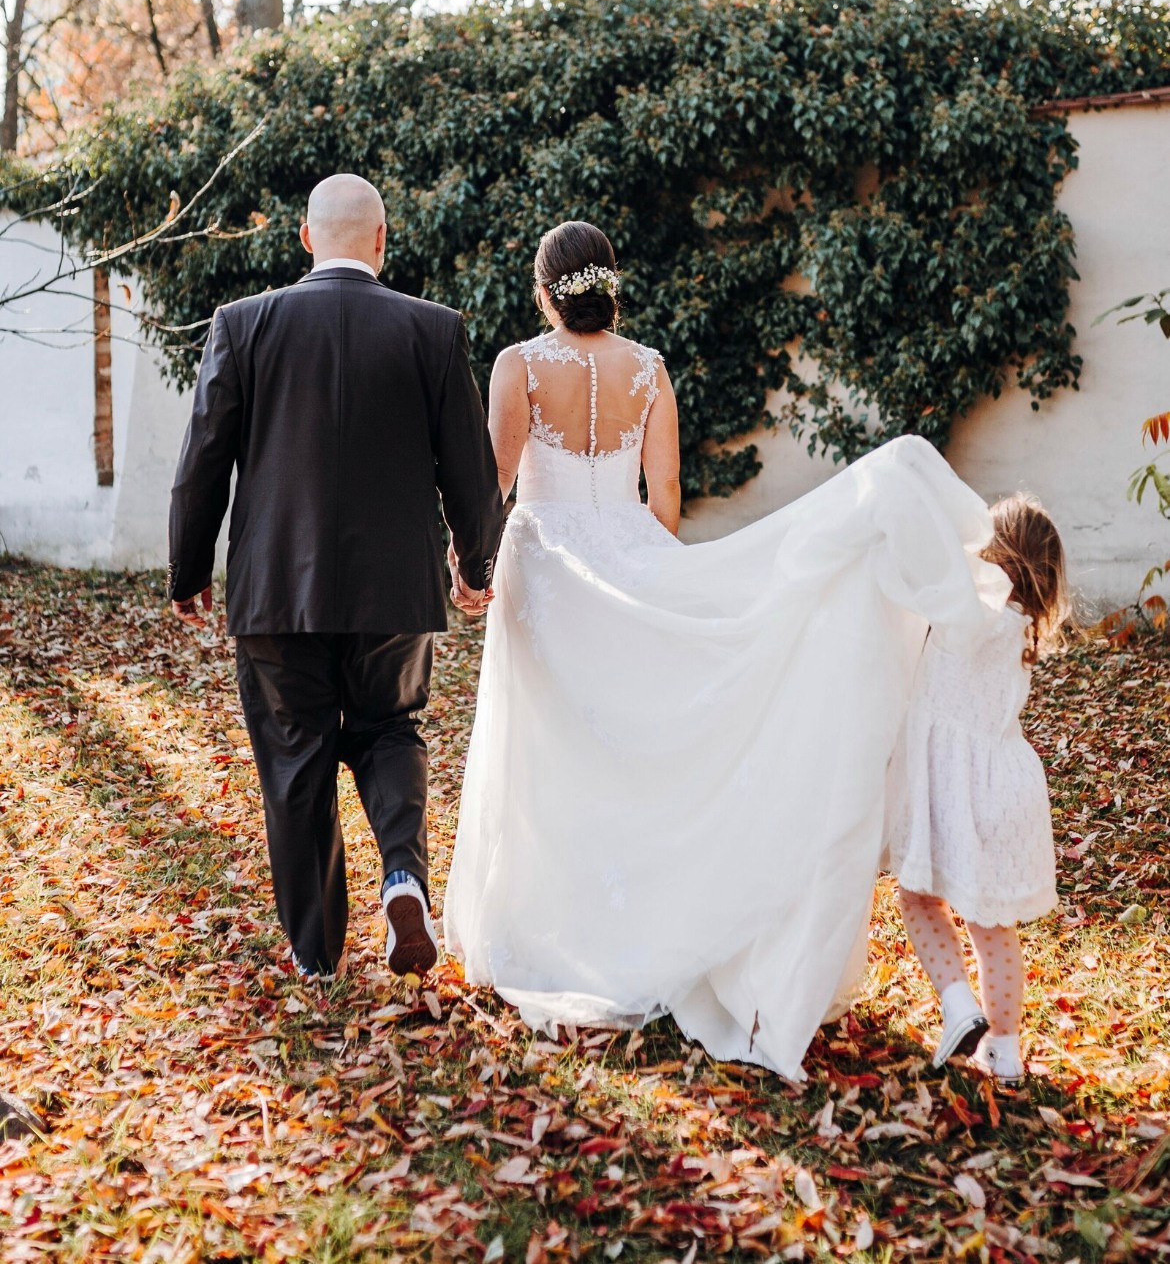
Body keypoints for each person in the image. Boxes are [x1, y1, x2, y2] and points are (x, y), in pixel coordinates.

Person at [443, 220, 1007, 1079]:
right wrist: (644, 573)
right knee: (636, 751)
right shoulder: (650, 370)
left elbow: (497, 478)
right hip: (631, 561)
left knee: (549, 753)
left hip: (546, 573)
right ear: (608, 283)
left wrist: (469, 562)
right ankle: (648, 921)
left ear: (544, 288)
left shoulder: (520, 365)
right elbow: (663, 494)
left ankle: (554, 926)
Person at [167, 174, 503, 979]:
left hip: (276, 588)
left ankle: (316, 954)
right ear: (382, 240)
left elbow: (203, 457)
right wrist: (476, 563)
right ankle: (402, 878)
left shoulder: (243, 324)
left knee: (294, 757)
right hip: (395, 589)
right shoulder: (432, 329)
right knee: (389, 729)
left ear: (306, 237)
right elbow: (471, 467)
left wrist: (188, 566)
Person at [886, 495, 1067, 1083]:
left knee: (917, 898)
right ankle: (1006, 1049)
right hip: (1002, 786)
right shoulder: (1022, 629)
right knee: (992, 926)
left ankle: (958, 1004)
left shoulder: (964, 609)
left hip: (947, 780)